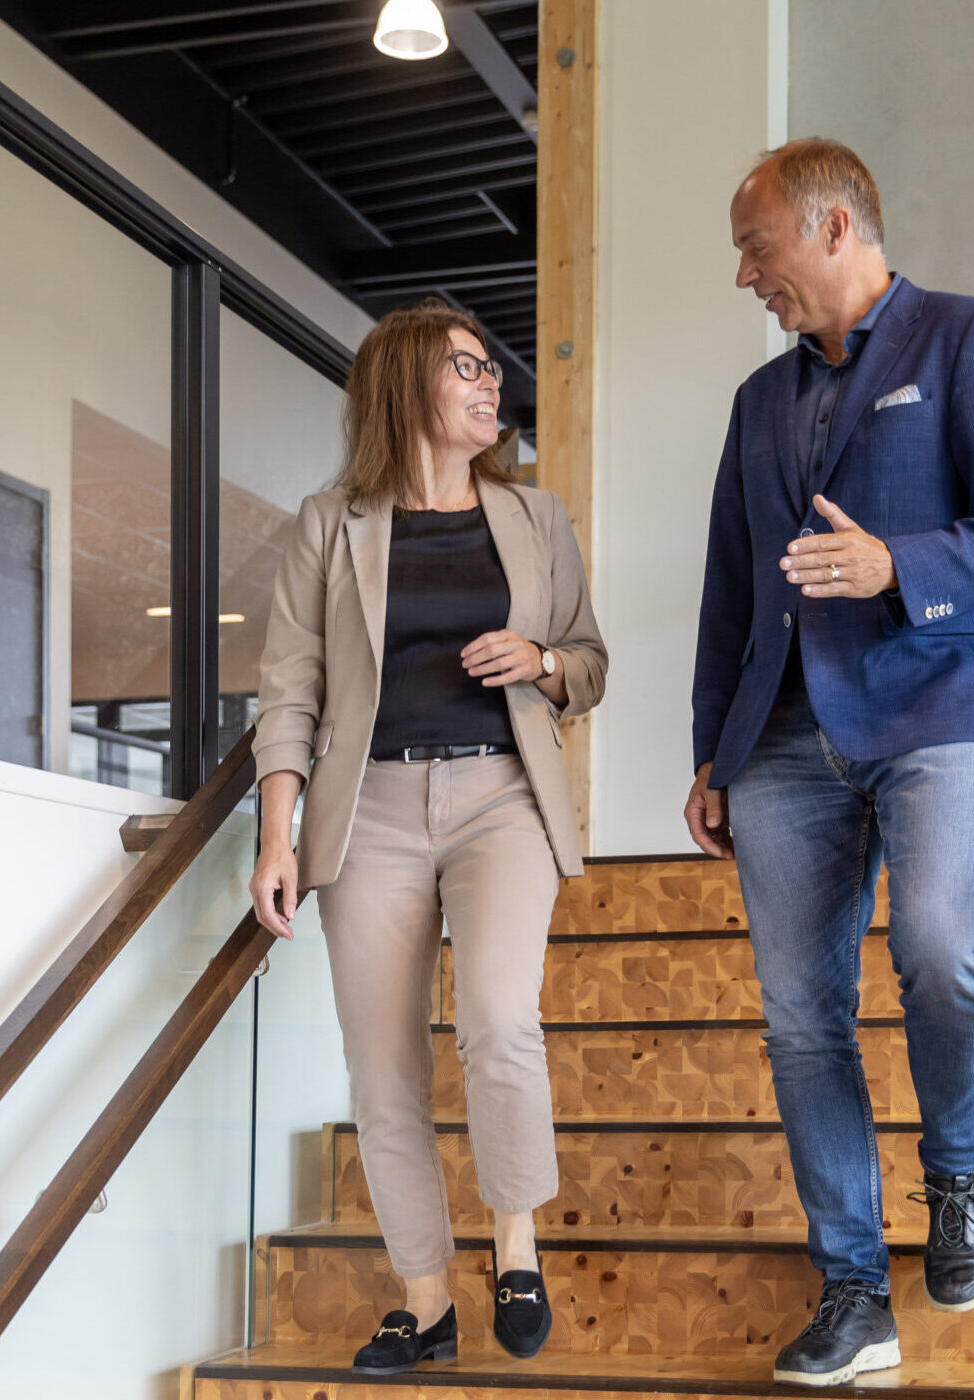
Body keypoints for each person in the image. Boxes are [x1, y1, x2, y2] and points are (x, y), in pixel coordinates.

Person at [684, 139, 974, 1387]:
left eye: (758, 246)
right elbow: (729, 589)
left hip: (936, 704)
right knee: (802, 1018)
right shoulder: (756, 404)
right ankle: (851, 1286)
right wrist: (712, 752)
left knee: (942, 946)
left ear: (834, 224)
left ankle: (956, 1179)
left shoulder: (970, 338)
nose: (745, 274)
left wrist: (897, 565)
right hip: (782, 742)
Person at [249, 300, 607, 1374]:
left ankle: (514, 1240)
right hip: (370, 813)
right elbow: (289, 689)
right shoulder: (329, 524)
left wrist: (538, 658)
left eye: (492, 369)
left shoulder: (534, 519)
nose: (491, 384)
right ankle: (422, 1296)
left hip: (502, 797)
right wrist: (278, 834)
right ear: (408, 383)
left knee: (499, 1020)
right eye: (467, 367)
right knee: (381, 1069)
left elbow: (587, 663)